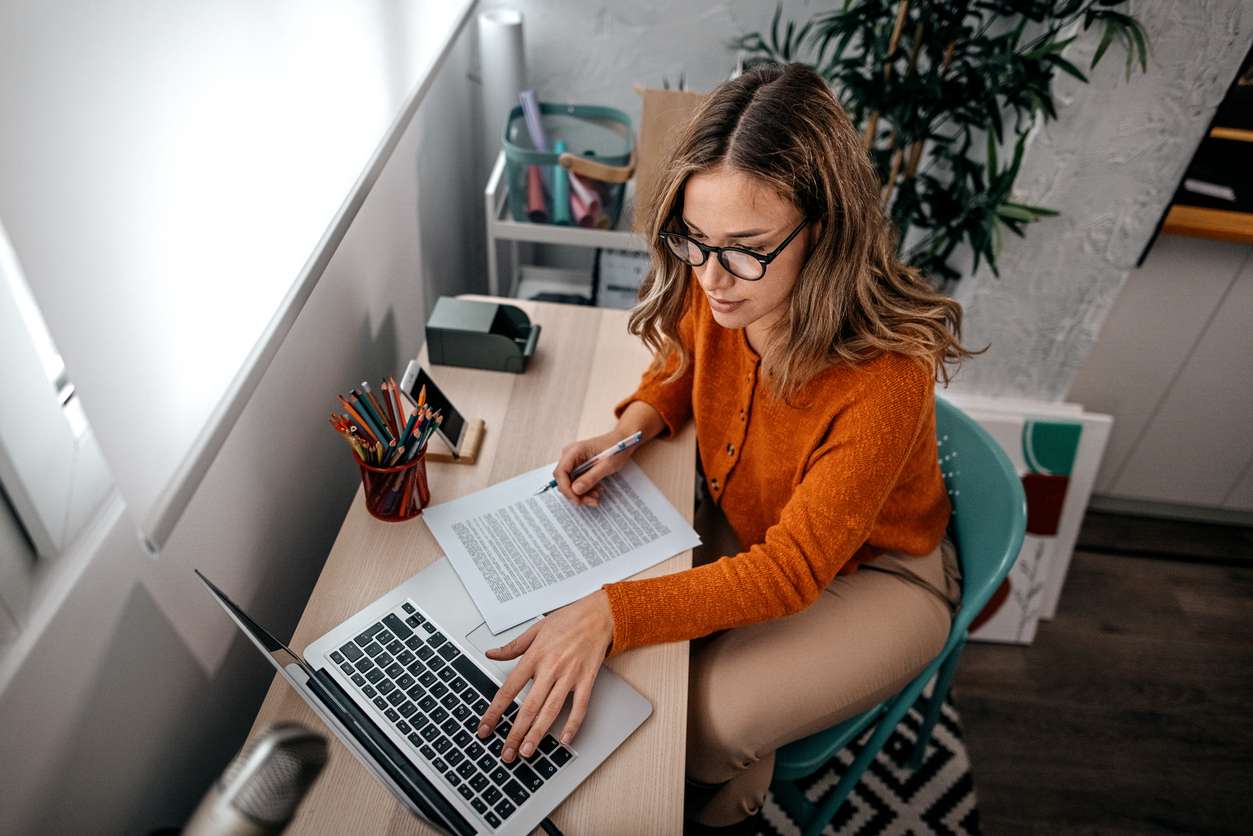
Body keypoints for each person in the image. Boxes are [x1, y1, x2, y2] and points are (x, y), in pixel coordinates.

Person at [473, 61, 978, 831]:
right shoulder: (726, 281)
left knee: (693, 726)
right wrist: (631, 426)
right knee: (633, 664)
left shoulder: (883, 377)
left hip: (877, 573)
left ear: (827, 228)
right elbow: (681, 357)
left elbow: (791, 571)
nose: (712, 277)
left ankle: (724, 797)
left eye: (745, 247)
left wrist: (613, 610)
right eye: (694, 241)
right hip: (749, 524)